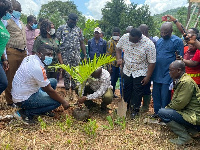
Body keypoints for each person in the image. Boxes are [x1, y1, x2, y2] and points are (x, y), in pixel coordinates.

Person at [12, 44, 70, 124]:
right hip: (24, 99)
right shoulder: (37, 68)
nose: (50, 57)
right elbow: (49, 91)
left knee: (53, 81)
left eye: (51, 54)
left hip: (23, 91)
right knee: (57, 102)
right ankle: (25, 113)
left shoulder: (30, 58)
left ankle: (43, 109)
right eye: (47, 54)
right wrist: (63, 102)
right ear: (39, 53)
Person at [116, 28, 156, 118]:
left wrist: (147, 77)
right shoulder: (125, 37)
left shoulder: (149, 44)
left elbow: (152, 62)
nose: (130, 41)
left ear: (139, 38)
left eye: (133, 40)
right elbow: (118, 48)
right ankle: (126, 107)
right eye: (130, 39)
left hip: (140, 71)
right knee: (127, 89)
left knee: (137, 92)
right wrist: (119, 59)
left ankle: (135, 110)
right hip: (127, 70)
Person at [158, 60, 200, 145]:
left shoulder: (186, 82)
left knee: (162, 112)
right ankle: (193, 131)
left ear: (178, 70)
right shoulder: (182, 80)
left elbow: (179, 103)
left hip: (195, 115)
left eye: (171, 70)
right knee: (166, 112)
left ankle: (185, 137)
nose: (169, 72)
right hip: (190, 112)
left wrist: (166, 111)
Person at [152, 22, 184, 118]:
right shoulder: (159, 41)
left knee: (165, 94)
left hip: (169, 72)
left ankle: (165, 114)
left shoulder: (177, 41)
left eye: (166, 32)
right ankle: (157, 112)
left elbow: (179, 59)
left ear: (171, 31)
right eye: (162, 32)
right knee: (156, 93)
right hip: (157, 71)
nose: (163, 34)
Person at [56, 13, 87, 90]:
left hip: (76, 55)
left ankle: (74, 89)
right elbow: (57, 41)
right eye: (72, 21)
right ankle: (67, 89)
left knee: (75, 73)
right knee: (66, 73)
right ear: (68, 20)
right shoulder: (61, 28)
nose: (73, 23)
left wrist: (85, 55)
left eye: (75, 22)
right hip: (65, 54)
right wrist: (57, 54)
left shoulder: (78, 30)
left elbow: (82, 42)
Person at [5, 0, 27, 107]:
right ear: (12, 10)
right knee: (11, 77)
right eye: (17, 10)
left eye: (20, 10)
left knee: (21, 77)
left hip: (23, 52)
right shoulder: (7, 21)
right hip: (12, 51)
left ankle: (19, 98)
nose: (19, 12)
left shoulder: (21, 22)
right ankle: (10, 101)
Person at [138, 24, 156, 112]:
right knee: (139, 87)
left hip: (147, 70)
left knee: (146, 87)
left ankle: (145, 106)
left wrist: (148, 75)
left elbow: (152, 60)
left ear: (144, 32)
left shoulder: (151, 42)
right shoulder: (139, 41)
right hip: (138, 69)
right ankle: (138, 105)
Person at [0, 0, 12, 95]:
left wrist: (4, 59)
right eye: (8, 11)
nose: (9, 13)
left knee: (3, 83)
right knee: (3, 83)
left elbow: (1, 44)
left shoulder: (2, 23)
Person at [106, 27, 120, 98]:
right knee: (112, 80)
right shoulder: (110, 42)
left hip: (119, 65)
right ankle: (110, 94)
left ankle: (113, 92)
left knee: (116, 79)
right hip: (113, 65)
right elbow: (108, 55)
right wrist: (109, 66)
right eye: (114, 34)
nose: (116, 36)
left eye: (117, 34)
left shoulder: (120, 41)